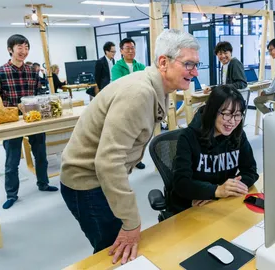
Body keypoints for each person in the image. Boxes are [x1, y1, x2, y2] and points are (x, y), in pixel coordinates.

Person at [60, 29, 200, 264]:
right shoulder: (139, 93)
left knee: (116, 246)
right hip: (87, 182)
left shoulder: (157, 89)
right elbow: (108, 162)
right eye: (188, 64)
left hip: (101, 178)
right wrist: (132, 222)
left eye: (196, 64)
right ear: (163, 62)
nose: (195, 72)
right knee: (113, 251)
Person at [0, 34, 58, 209]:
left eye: (26, 47)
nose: (24, 51)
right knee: (12, 161)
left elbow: (38, 94)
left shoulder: (32, 71)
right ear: (10, 49)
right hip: (12, 122)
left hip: (33, 118)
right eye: (20, 47)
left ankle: (43, 183)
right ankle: (11, 194)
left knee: (41, 155)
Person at [171, 85, 258, 214]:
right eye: (227, 114)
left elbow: (250, 171)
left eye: (238, 115)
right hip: (192, 205)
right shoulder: (189, 137)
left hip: (222, 203)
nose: (232, 122)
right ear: (212, 111)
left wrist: (228, 189)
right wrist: (215, 191)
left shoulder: (237, 135)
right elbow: (181, 183)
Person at [110, 38, 147, 169]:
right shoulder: (116, 68)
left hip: (139, 104)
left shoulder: (140, 66)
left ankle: (137, 160)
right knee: (126, 135)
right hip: (124, 105)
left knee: (139, 135)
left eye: (132, 48)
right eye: (127, 48)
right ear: (121, 51)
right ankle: (125, 160)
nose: (131, 51)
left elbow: (146, 82)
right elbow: (120, 85)